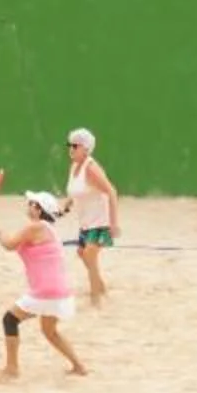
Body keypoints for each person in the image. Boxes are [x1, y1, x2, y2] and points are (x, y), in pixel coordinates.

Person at [0, 189, 86, 378]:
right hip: (59, 290)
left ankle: (12, 369)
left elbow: (10, 244)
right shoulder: (46, 228)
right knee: (50, 331)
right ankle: (79, 366)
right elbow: (14, 242)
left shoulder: (36, 228)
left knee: (10, 319)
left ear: (39, 210)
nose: (29, 205)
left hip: (45, 291)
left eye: (33, 203)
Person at [63, 127, 122, 301]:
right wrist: (66, 204)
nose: (71, 149)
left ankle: (95, 298)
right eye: (69, 145)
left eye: (75, 146)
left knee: (89, 254)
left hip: (100, 221)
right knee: (82, 253)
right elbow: (75, 191)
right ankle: (101, 287)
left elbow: (111, 191)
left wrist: (114, 223)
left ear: (86, 149)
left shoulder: (91, 168)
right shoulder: (74, 166)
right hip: (86, 222)